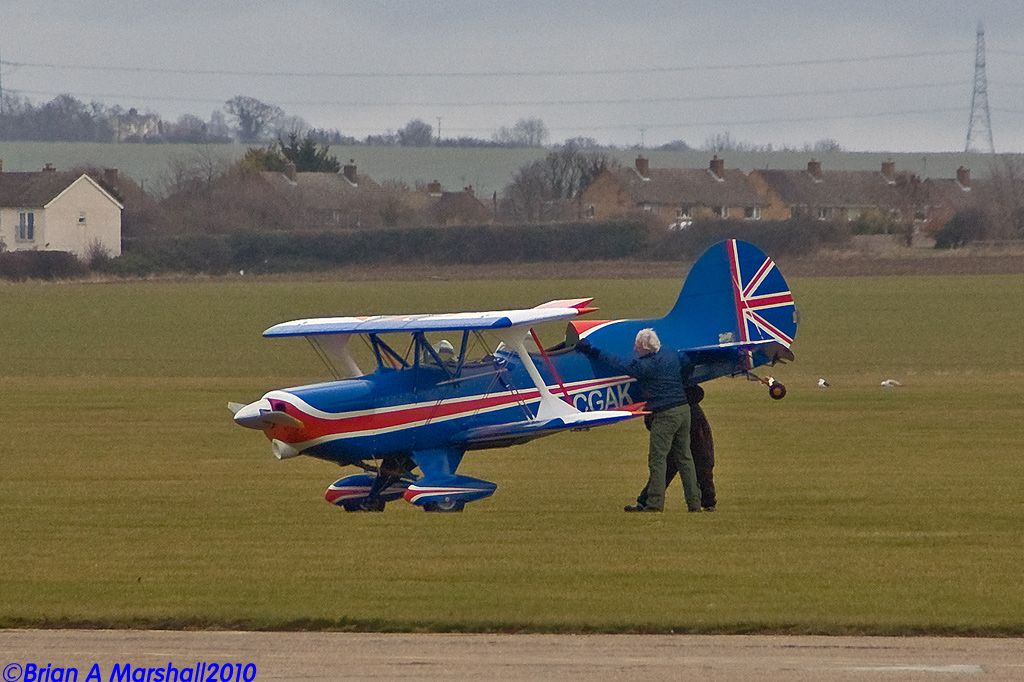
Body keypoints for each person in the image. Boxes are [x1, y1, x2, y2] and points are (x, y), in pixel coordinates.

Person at [576, 329, 702, 513]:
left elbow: (618, 364)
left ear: (644, 348)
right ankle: (694, 504)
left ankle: (654, 504)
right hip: (684, 410)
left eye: (637, 346)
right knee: (685, 457)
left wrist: (591, 351)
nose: (635, 349)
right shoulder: (670, 353)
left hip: (665, 414)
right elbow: (687, 364)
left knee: (657, 460)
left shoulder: (645, 367)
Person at [635, 384, 716, 512]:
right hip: (686, 414)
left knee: (668, 463)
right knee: (693, 460)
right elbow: (698, 392)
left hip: (669, 414)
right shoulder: (677, 372)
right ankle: (704, 502)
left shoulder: (656, 375)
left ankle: (647, 501)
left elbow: (697, 392)